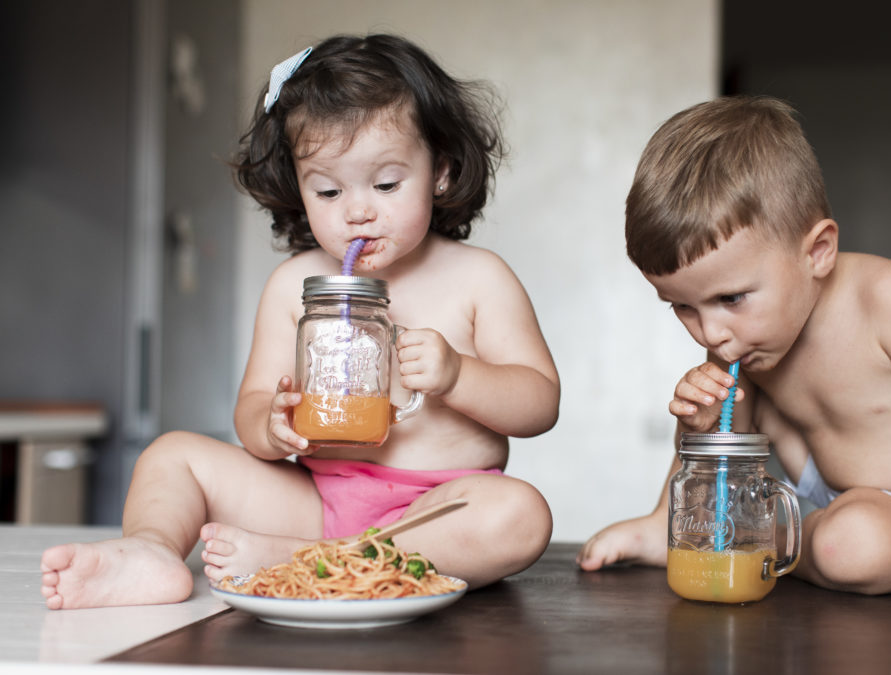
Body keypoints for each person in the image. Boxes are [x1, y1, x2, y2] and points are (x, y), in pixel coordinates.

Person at [40, 33, 559, 609]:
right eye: (329, 190)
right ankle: (150, 553)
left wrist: (459, 375)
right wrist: (274, 424)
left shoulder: (479, 278)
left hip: (434, 512)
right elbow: (252, 409)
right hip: (314, 501)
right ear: (298, 186)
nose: (358, 210)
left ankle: (308, 562)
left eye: (386, 184)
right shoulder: (294, 286)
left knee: (520, 514)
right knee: (172, 454)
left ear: (441, 170)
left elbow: (539, 404)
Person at [576, 95, 891, 620]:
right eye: (682, 306)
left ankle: (761, 545)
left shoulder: (888, 298)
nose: (711, 331)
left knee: (850, 544)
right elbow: (727, 442)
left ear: (817, 252)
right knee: (738, 414)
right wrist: (699, 423)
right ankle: (668, 529)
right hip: (821, 496)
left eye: (730, 298)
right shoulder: (741, 334)